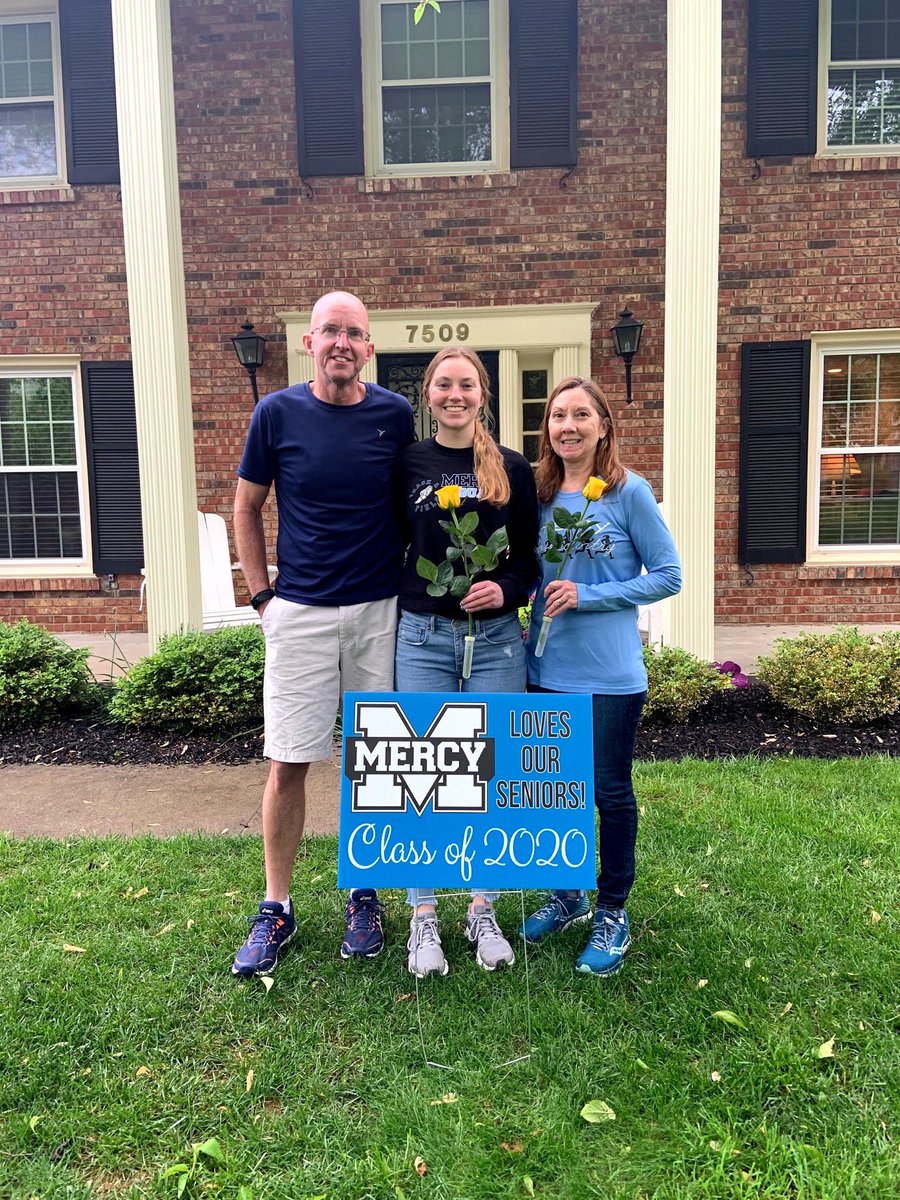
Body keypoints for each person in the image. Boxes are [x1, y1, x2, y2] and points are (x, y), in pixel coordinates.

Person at [231, 291, 415, 977]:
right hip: (300, 612)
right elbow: (246, 508)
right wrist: (262, 599)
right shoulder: (276, 413)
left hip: (378, 613)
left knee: (374, 764)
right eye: (330, 330)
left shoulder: (395, 415)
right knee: (289, 760)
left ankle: (363, 896)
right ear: (309, 341)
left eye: (355, 333)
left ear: (369, 348)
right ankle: (276, 907)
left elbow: (417, 500)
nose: (342, 342)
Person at [520, 376, 681, 976]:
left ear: (603, 425)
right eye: (558, 415)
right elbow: (526, 571)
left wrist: (588, 595)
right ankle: (567, 895)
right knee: (550, 792)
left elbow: (668, 576)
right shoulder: (536, 493)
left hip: (611, 675)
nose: (568, 426)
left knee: (609, 793)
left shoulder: (628, 492)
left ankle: (613, 910)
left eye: (581, 415)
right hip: (545, 668)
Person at [394, 346, 540, 978]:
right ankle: (422, 917)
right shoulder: (407, 464)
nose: (456, 394)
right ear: (429, 395)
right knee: (419, 777)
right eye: (444, 385)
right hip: (424, 637)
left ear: (483, 395)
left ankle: (483, 908)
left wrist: (506, 590)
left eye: (468, 385)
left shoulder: (511, 467)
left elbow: (530, 558)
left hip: (500, 639)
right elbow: (384, 543)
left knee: (492, 774)